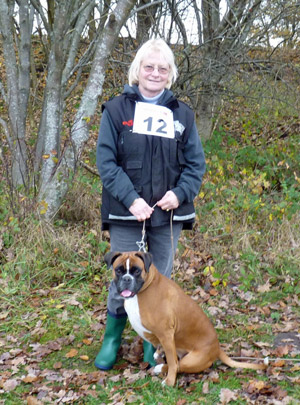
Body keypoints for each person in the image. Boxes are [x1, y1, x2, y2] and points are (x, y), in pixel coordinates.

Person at [94, 38, 206, 370]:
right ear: (137, 70)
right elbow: (106, 162)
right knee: (123, 278)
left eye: (162, 68)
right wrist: (131, 199)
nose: (155, 73)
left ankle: (151, 343)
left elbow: (195, 165)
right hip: (126, 213)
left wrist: (180, 193)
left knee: (159, 280)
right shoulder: (115, 111)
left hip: (168, 216)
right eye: (149, 66)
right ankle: (112, 339)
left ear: (170, 74)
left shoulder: (182, 114)